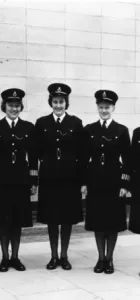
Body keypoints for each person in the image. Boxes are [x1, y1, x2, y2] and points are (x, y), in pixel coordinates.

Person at [0, 88, 38, 272]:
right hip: (1, 179)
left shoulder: (28, 127)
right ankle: (4, 258)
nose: (14, 109)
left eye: (17, 106)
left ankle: (15, 257)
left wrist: (33, 181)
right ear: (4, 106)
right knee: (3, 220)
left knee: (17, 221)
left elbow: (33, 157)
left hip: (21, 179)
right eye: (10, 105)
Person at [33, 83, 84, 271]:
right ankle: (54, 256)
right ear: (50, 102)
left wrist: (80, 179)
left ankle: (65, 255)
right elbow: (37, 150)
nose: (58, 105)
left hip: (70, 179)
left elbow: (81, 152)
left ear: (66, 103)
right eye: (55, 102)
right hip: (49, 179)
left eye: (61, 102)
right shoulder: (42, 123)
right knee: (52, 218)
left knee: (67, 219)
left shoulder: (76, 123)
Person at [81, 90, 130, 274]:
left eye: (107, 107)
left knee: (112, 222)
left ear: (113, 108)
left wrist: (125, 184)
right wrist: (84, 182)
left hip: (114, 182)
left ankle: (110, 259)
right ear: (97, 108)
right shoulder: (90, 130)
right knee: (98, 221)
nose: (104, 110)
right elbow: (84, 159)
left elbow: (127, 160)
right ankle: (100, 258)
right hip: (95, 181)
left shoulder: (121, 130)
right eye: (101, 107)